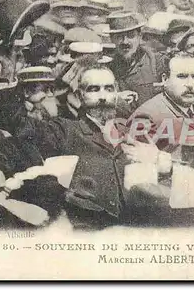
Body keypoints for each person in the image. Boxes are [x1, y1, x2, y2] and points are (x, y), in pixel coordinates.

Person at [11, 67, 168, 230]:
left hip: (133, 230)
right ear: (79, 96)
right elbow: (20, 131)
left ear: (116, 93)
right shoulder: (64, 130)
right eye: (94, 89)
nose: (102, 97)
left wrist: (160, 161)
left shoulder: (133, 135)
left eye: (109, 89)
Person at [128, 51, 194, 158]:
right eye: (182, 76)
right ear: (165, 79)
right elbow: (138, 167)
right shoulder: (148, 117)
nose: (190, 84)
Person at [105, 11, 161, 108]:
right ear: (111, 39)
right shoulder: (107, 69)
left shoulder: (157, 62)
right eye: (119, 37)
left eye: (131, 35)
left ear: (140, 36)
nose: (125, 42)